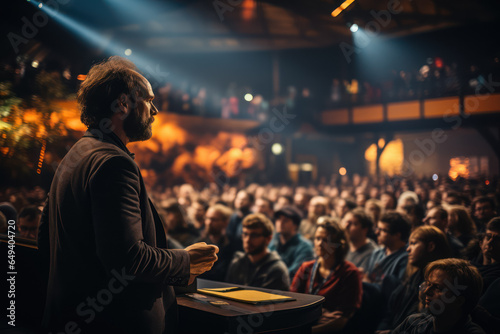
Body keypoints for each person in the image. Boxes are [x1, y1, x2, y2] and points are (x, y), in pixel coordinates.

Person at [38, 56, 218, 334]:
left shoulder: (76, 154)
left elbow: (45, 238)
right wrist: (185, 261)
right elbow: (127, 259)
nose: (155, 110)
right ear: (123, 103)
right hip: (110, 324)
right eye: (148, 100)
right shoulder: (114, 163)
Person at [290, 218, 362, 333]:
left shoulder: (349, 272)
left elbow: (342, 319)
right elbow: (292, 301)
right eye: (317, 238)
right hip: (301, 323)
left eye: (326, 240)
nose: (319, 244)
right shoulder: (307, 267)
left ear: (338, 243)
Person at [376, 225, 451, 332]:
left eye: (413, 243)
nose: (408, 249)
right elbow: (391, 313)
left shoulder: (439, 283)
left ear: (430, 246)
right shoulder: (416, 276)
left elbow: (421, 322)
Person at [393, 258, 485, 334]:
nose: (426, 291)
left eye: (438, 288)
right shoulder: (413, 322)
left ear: (459, 301)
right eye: (428, 284)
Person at [225, 213, 289, 291]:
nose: (247, 240)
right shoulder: (237, 262)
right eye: (245, 234)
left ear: (268, 239)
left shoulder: (276, 270)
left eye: (254, 235)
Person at [269, 205, 314, 280]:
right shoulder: (273, 240)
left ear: (295, 225)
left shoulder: (305, 246)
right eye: (278, 219)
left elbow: (293, 273)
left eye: (285, 220)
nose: (280, 223)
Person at [364, 211, 410, 284]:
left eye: (383, 230)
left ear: (397, 235)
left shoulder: (405, 259)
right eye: (377, 228)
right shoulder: (377, 253)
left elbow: (394, 289)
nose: (377, 233)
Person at [196, 204, 238, 282]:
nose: (209, 222)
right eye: (207, 218)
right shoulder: (199, 242)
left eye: (214, 219)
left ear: (225, 222)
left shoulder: (232, 243)